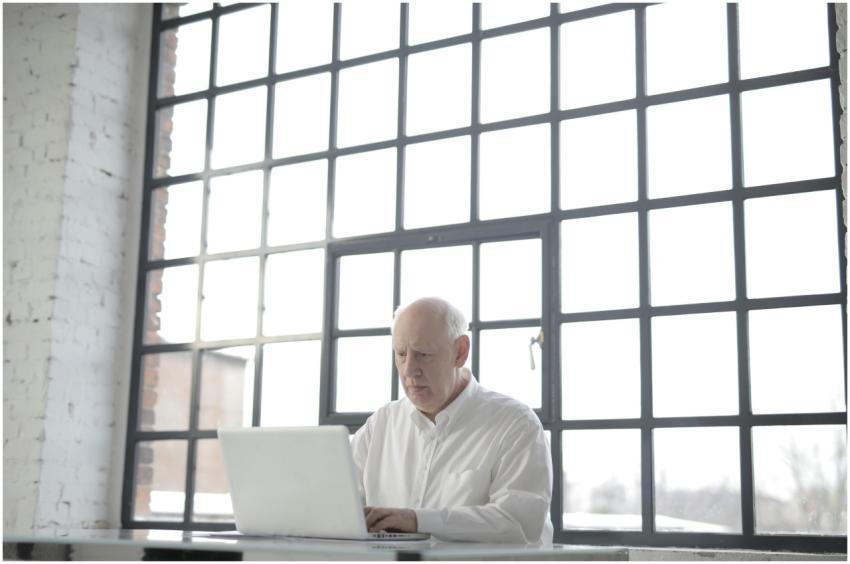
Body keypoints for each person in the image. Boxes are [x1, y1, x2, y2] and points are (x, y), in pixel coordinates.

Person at [351, 297, 553, 544]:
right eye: (401, 354)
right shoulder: (380, 425)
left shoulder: (515, 424)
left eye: (423, 354)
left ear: (460, 352)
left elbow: (519, 524)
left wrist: (417, 520)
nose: (408, 370)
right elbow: (338, 506)